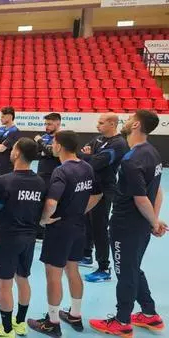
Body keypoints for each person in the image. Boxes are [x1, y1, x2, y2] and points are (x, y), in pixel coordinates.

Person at [90, 110, 167, 337]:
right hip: (140, 224)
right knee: (133, 268)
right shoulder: (153, 153)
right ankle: (150, 313)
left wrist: (154, 222)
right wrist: (153, 219)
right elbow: (158, 190)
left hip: (126, 225)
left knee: (125, 272)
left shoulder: (131, 160)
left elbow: (141, 197)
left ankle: (122, 322)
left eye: (130, 118)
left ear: (136, 125)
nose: (126, 121)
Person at [28, 130, 102, 337]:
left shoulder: (61, 171)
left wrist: (43, 220)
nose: (52, 146)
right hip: (79, 226)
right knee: (73, 270)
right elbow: (98, 193)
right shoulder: (86, 167)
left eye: (53, 143)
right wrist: (80, 210)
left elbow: (51, 202)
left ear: (59, 146)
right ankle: (75, 315)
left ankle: (52, 322)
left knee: (53, 275)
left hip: (60, 229)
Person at [0, 138, 46, 338]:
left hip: (8, 237)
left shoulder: (4, 181)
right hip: (29, 238)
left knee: (4, 284)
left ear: (17, 153)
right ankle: (20, 323)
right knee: (23, 278)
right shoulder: (40, 182)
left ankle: (6, 330)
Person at [79, 113, 129, 283]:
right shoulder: (99, 139)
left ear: (112, 124)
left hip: (105, 189)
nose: (97, 125)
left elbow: (95, 163)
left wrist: (88, 156)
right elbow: (85, 153)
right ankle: (86, 254)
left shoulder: (119, 144)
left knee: (100, 227)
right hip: (90, 186)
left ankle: (104, 268)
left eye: (101, 123)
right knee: (87, 221)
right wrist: (89, 156)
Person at [34, 113, 62, 241]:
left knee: (52, 203)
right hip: (41, 173)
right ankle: (40, 231)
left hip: (54, 174)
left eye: (49, 124)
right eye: (45, 123)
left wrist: (40, 142)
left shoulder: (60, 137)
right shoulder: (45, 137)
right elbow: (37, 154)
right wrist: (45, 151)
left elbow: (53, 153)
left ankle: (51, 231)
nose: (47, 126)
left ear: (58, 123)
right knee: (40, 202)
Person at [0, 107, 20, 184]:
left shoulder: (14, 131)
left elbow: (2, 149)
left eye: (2, 117)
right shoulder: (0, 130)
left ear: (10, 116)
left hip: (7, 167)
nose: (0, 119)